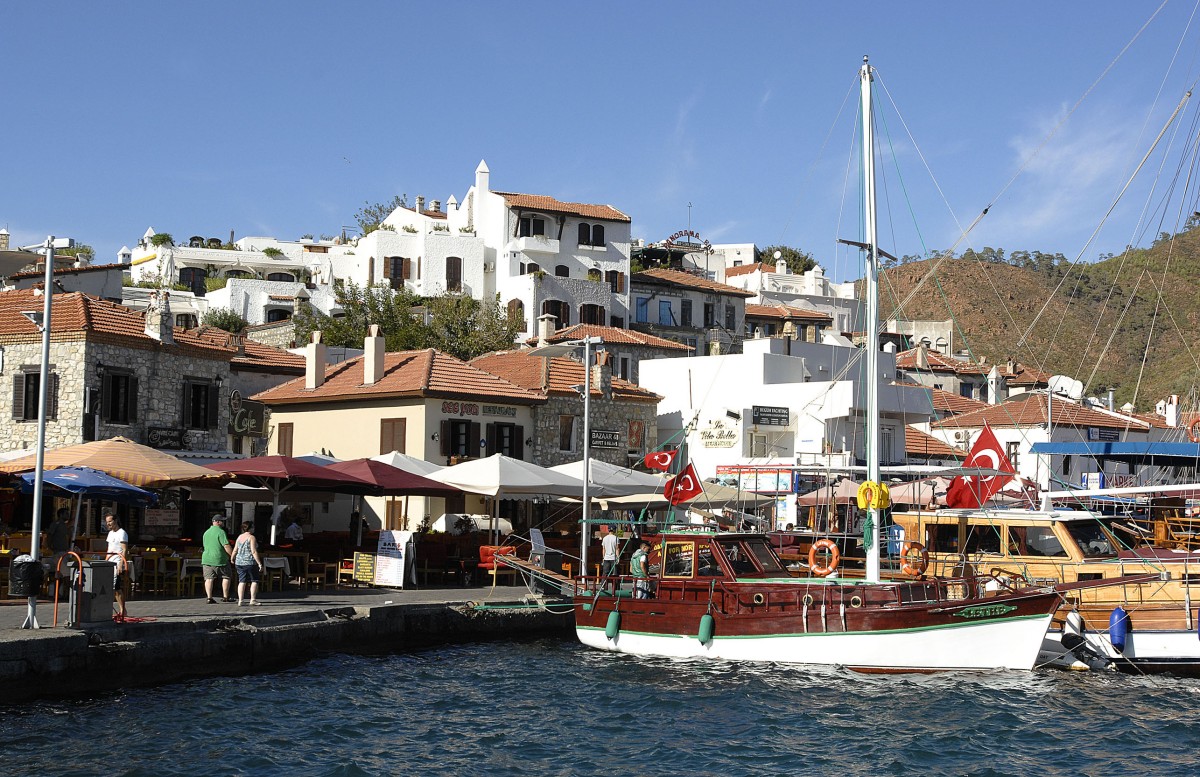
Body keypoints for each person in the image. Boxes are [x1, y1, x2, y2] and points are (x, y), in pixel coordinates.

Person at [201, 514, 234, 604]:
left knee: (209, 578)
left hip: (206, 559)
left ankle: (209, 597)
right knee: (226, 576)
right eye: (222, 521)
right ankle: (225, 596)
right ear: (217, 522)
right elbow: (226, 546)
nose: (223, 523)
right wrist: (233, 556)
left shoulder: (206, 532)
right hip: (220, 559)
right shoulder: (221, 532)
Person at [231, 521, 265, 606]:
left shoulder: (239, 537)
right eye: (252, 527)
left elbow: (235, 549)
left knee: (242, 581)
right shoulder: (251, 537)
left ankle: (240, 600)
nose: (254, 528)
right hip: (250, 562)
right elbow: (253, 551)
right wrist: (259, 563)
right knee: (254, 580)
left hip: (239, 562)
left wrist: (232, 558)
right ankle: (253, 599)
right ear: (249, 528)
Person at [103, 512, 130, 619]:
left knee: (116, 587)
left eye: (110, 521)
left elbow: (124, 549)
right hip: (109, 561)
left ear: (115, 521)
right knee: (111, 587)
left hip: (117, 562)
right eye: (107, 522)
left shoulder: (122, 533)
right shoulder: (110, 534)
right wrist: (105, 562)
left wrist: (121, 564)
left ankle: (123, 610)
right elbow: (109, 549)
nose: (108, 524)